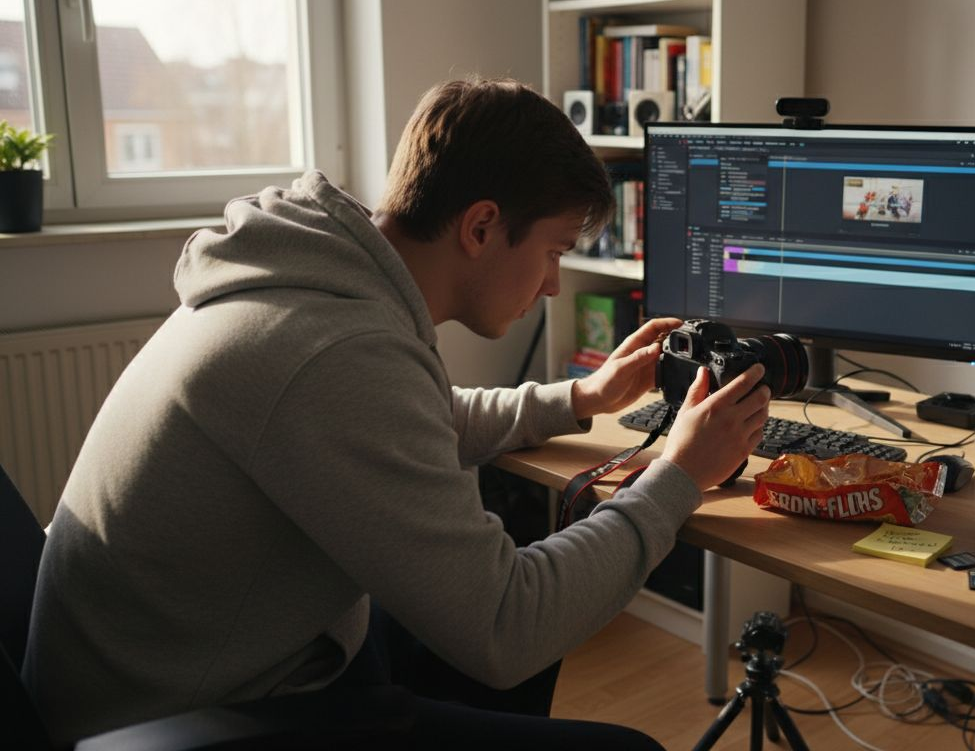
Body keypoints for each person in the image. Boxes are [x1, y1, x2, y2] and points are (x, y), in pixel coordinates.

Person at [23, 78, 772, 748]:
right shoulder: (334, 351)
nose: (552, 284)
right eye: (553, 251)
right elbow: (507, 627)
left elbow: (417, 422)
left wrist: (581, 397)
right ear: (481, 227)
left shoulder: (313, 284)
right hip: (182, 717)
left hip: (191, 664)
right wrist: (678, 475)